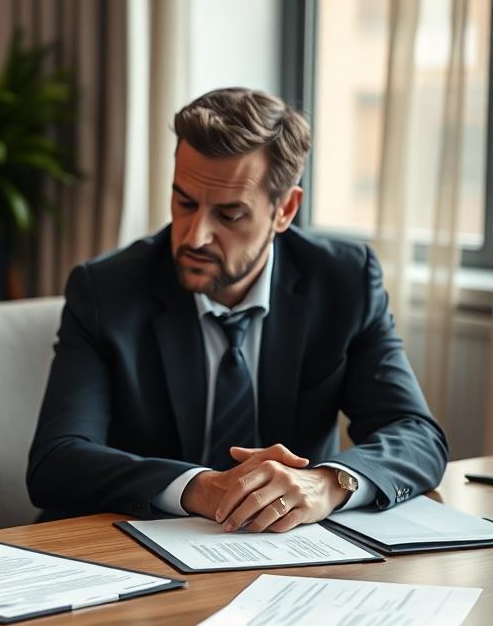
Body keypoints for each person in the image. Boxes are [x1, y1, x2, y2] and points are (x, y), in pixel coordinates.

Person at [27, 87, 447, 531]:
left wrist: (327, 483)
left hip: (290, 551)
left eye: (229, 216)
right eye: (185, 202)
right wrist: (199, 487)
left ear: (284, 209)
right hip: (135, 546)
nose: (194, 236)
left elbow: (416, 435)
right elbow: (57, 460)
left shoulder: (344, 281)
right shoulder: (107, 290)